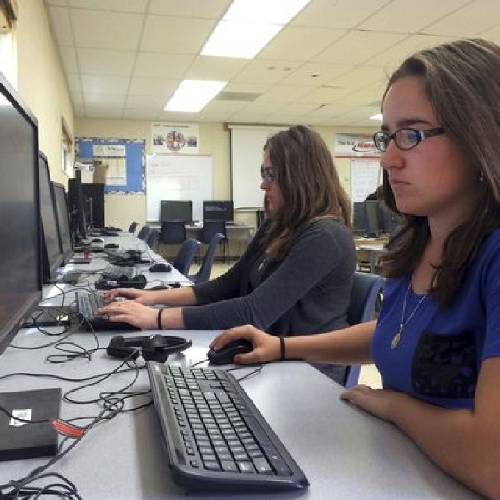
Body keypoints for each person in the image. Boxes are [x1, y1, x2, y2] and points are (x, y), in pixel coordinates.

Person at [210, 39, 500, 498]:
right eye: (388, 136)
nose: (387, 159)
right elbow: (395, 331)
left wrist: (395, 407)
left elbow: (492, 463)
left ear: (481, 134)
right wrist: (281, 346)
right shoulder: (419, 243)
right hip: (400, 473)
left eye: (413, 134)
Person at [98, 126, 356, 340]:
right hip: (266, 350)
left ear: (300, 178)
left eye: (271, 174)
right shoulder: (277, 225)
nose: (262, 183)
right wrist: (152, 298)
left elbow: (253, 311)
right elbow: (227, 285)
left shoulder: (325, 236)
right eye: (262, 173)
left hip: (306, 370)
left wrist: (156, 318)